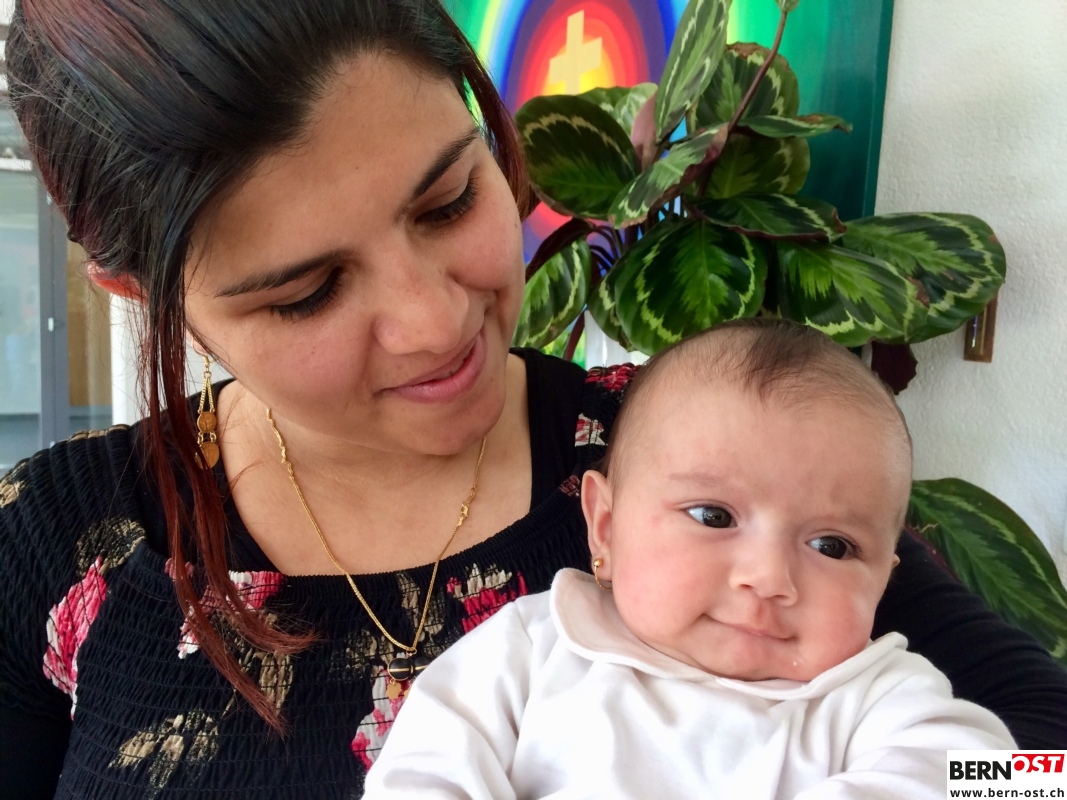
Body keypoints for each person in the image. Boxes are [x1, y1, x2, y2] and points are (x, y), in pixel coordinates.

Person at [0, 0, 1063, 797]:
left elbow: (1039, 768)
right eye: (308, 291)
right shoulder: (50, 540)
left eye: (448, 199)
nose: (434, 321)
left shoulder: (714, 461)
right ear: (140, 293)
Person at [363, 320, 1016, 799]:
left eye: (832, 546)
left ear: (883, 580)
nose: (767, 578)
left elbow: (1014, 777)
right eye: (713, 516)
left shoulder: (872, 693)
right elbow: (421, 776)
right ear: (606, 526)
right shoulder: (530, 653)